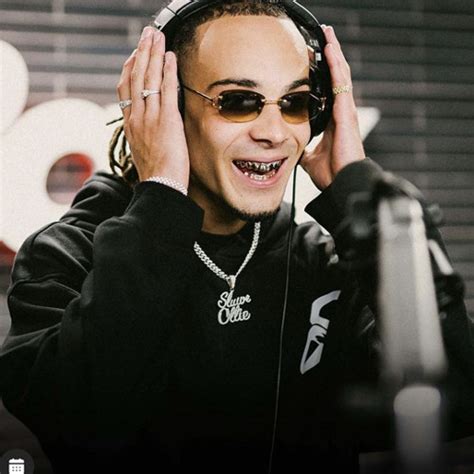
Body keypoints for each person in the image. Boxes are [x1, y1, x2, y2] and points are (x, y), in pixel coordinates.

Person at [1, 1, 473, 473]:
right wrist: (161, 196)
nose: (274, 132)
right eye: (238, 101)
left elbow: (459, 401)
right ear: (165, 105)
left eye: (295, 103)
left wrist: (356, 190)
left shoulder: (322, 260)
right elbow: (83, 426)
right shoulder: (67, 255)